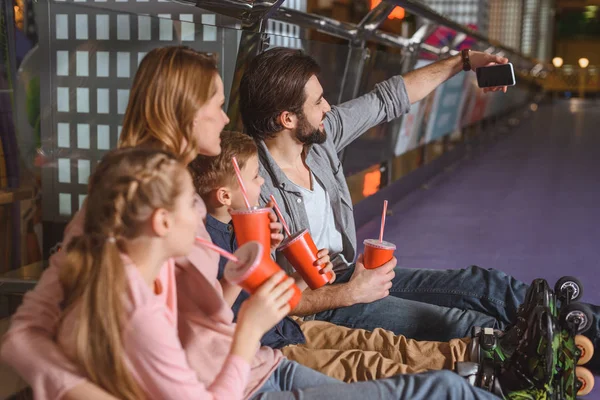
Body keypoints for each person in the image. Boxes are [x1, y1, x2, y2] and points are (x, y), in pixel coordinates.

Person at [0, 46, 498, 400]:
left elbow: (202, 314)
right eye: (216, 105)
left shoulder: (190, 194)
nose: (224, 117)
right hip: (243, 365)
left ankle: (507, 350)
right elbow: (31, 330)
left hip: (259, 357)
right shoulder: (135, 194)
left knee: (439, 337)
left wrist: (240, 272)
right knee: (424, 376)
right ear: (184, 111)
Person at [238, 47, 599, 371]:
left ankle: (588, 329)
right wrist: (347, 294)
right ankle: (555, 358)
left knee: (486, 285)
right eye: (318, 102)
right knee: (459, 324)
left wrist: (465, 61)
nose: (328, 108)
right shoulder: (251, 187)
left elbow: (388, 98)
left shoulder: (320, 140)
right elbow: (268, 295)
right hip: (323, 302)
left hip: (353, 274)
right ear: (287, 119)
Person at [189, 130, 472, 381]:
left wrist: (298, 274)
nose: (262, 182)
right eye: (254, 177)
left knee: (379, 343)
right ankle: (472, 379)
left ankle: (477, 355)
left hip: (288, 327)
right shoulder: (206, 246)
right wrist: (254, 260)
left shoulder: (238, 230)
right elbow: (219, 319)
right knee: (366, 363)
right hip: (265, 348)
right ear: (225, 197)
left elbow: (279, 298)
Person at [56, 147, 296, 399]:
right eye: (191, 204)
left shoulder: (146, 280)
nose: (201, 216)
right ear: (163, 222)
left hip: (254, 367)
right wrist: (250, 329)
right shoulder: (140, 314)